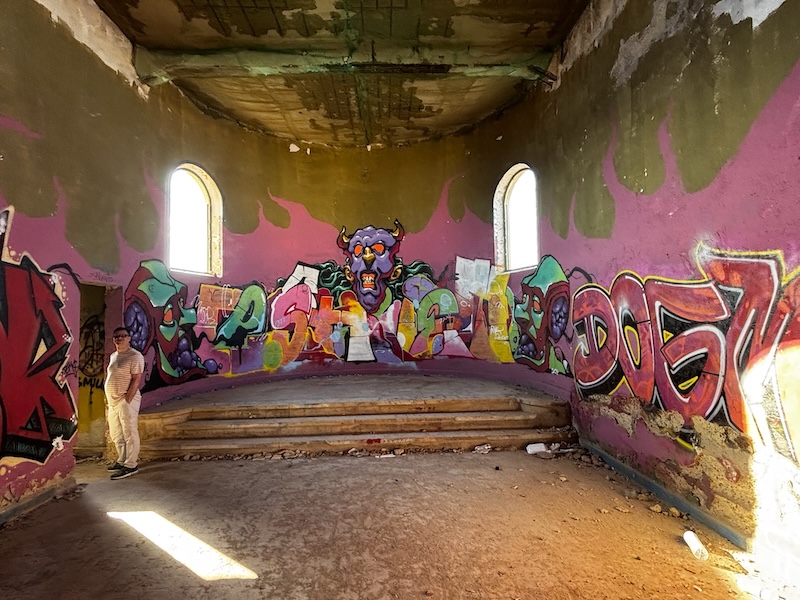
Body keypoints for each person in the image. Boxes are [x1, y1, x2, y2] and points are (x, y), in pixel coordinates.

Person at [105, 326, 145, 480]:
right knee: (116, 433)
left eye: (123, 335)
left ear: (129, 338)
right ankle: (121, 460)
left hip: (125, 399)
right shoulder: (114, 356)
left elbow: (136, 379)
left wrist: (127, 399)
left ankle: (131, 465)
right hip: (113, 401)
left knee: (129, 432)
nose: (119, 338)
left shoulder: (135, 356)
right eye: (117, 336)